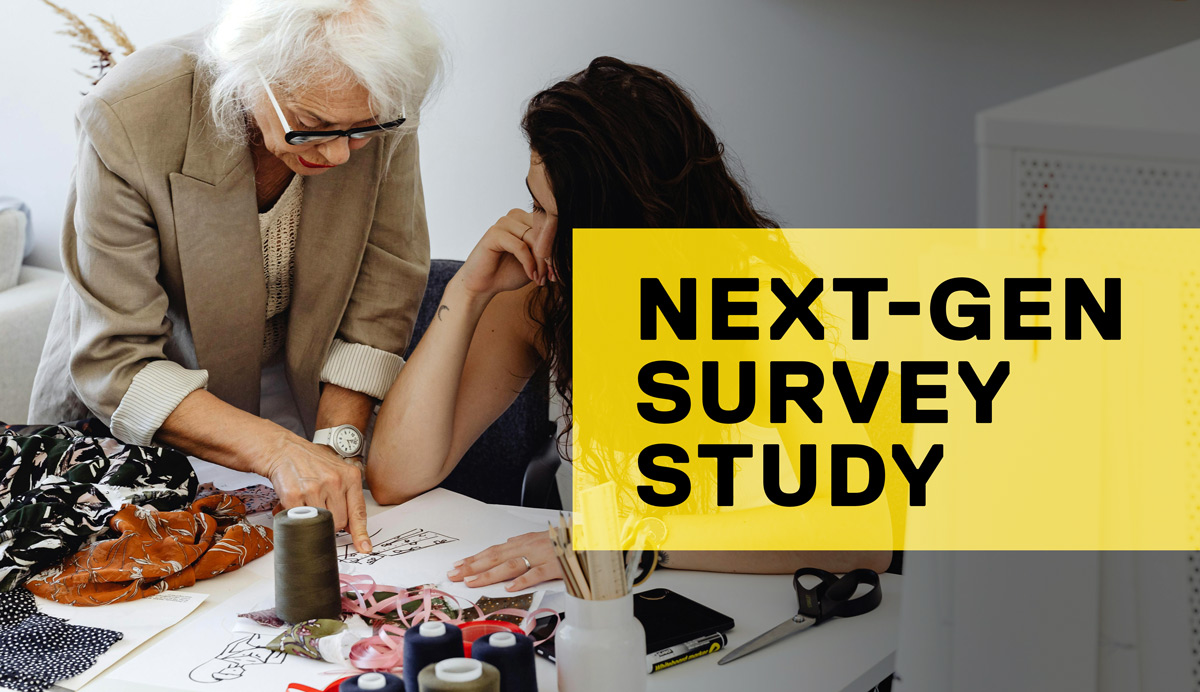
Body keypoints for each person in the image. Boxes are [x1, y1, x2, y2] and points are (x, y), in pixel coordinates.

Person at [368, 57, 892, 591]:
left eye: (559, 218)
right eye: (533, 202)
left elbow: (861, 538)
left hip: (749, 593)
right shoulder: (547, 296)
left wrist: (630, 545)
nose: (537, 237)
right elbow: (397, 478)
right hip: (602, 597)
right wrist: (468, 292)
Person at [29, 0, 441, 553]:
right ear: (252, 76)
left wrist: (337, 445)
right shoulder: (130, 116)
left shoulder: (377, 95)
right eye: (314, 127)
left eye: (362, 132)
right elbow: (117, 356)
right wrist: (277, 451)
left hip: (300, 385)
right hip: (151, 397)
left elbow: (383, 287)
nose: (342, 153)